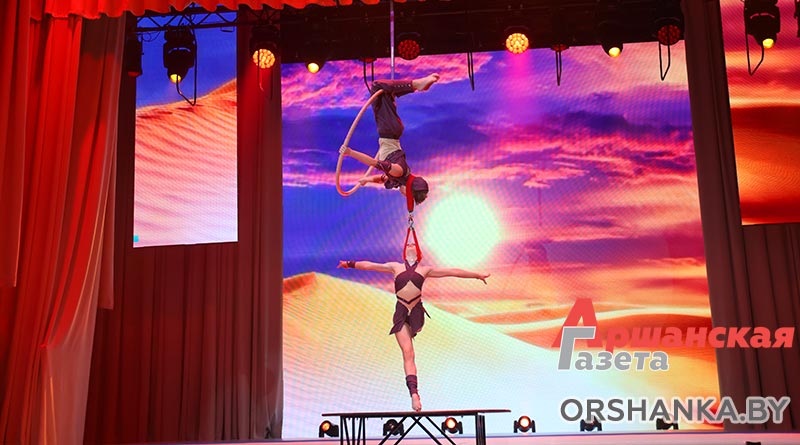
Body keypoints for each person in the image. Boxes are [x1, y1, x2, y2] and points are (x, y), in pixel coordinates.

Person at [337, 241, 489, 412]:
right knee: (408, 353)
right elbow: (370, 265)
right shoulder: (395, 267)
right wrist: (349, 264)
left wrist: (477, 275)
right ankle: (414, 393)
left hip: (416, 312)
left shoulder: (425, 270)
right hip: (401, 312)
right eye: (407, 244)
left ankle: (414, 391)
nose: (410, 244)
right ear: (404, 251)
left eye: (413, 244)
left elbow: (452, 271)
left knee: (410, 350)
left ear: (418, 252)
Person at [339, 73, 440, 206]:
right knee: (377, 86)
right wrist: (350, 152)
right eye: (409, 195)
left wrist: (367, 180)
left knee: (383, 95)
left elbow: (381, 179)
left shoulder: (398, 178)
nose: (406, 197)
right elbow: (374, 162)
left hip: (389, 131)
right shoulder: (399, 171)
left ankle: (413, 86)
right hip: (389, 131)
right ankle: (416, 84)